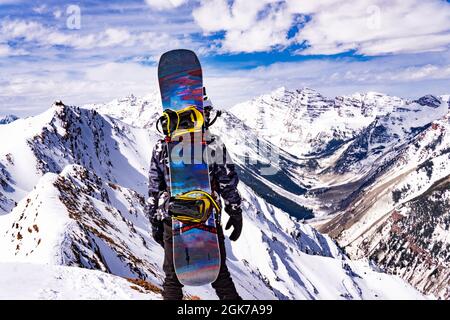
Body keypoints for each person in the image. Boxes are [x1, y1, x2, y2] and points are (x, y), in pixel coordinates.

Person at [147, 96, 243, 300]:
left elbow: (154, 189)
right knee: (220, 276)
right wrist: (234, 211)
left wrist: (154, 221)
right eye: (206, 113)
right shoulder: (213, 144)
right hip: (206, 217)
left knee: (173, 278)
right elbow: (228, 183)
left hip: (172, 219)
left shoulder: (161, 146)